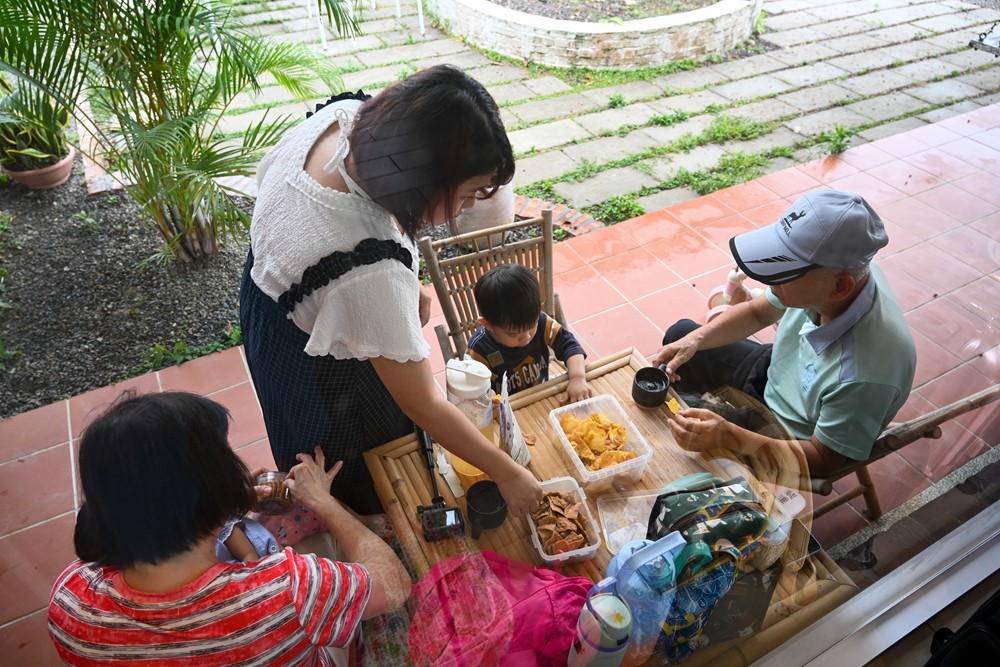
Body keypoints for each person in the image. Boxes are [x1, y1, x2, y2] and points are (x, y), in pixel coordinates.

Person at [239, 64, 542, 518]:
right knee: (360, 458)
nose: (462, 210)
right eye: (467, 194)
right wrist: (507, 472)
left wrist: (408, 277)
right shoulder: (366, 270)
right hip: (314, 360)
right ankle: (367, 523)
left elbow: (374, 222)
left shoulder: (349, 120)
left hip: (270, 291)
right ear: (422, 182)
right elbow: (420, 400)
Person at [49, 391, 411, 666]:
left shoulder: (69, 604)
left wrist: (219, 504)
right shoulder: (291, 589)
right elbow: (394, 584)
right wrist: (322, 500)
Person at [651, 189, 916, 475]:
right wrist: (695, 340)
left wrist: (727, 435)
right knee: (681, 336)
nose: (770, 280)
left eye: (785, 271)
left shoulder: (864, 376)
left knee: (672, 426)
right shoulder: (842, 272)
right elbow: (758, 312)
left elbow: (823, 460)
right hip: (777, 371)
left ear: (840, 287)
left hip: (787, 432)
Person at [468, 263, 592, 403]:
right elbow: (474, 386)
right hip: (506, 407)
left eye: (532, 326)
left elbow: (570, 345)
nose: (526, 338)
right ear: (488, 324)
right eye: (513, 334)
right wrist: (486, 396)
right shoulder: (479, 348)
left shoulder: (542, 322)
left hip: (541, 394)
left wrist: (577, 378)